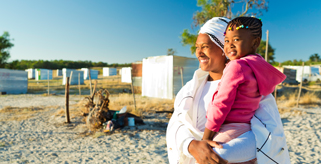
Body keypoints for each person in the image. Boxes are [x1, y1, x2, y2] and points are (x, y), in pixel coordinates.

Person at [166, 17, 290, 164]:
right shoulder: (189, 89)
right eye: (197, 47)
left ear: (222, 49)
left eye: (205, 46)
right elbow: (176, 124)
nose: (198, 53)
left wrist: (228, 151)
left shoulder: (250, 86)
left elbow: (270, 135)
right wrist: (192, 145)